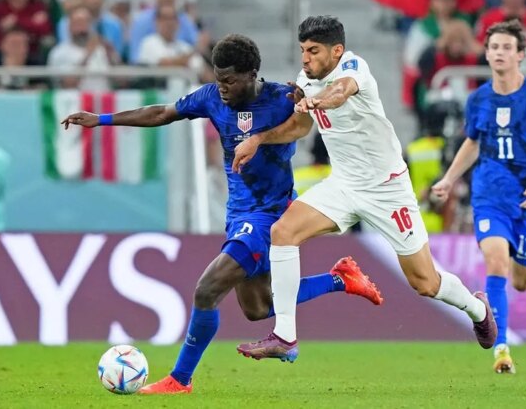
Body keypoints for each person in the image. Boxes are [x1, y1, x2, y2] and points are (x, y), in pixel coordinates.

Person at [61, 34, 383, 394]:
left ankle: (179, 379)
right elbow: (162, 113)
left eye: (229, 80)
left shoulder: (282, 99)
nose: (223, 87)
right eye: (218, 79)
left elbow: (306, 124)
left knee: (207, 289)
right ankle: (340, 279)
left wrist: (300, 107)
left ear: (252, 75)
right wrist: (102, 119)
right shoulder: (211, 97)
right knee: (258, 307)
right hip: (238, 214)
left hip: (270, 214)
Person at [232, 15, 497, 362]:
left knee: (425, 282)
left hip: (387, 190)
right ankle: (285, 337)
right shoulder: (306, 79)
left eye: (313, 51)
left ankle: (477, 309)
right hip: (343, 185)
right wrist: (258, 139)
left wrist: (317, 100)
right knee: (283, 232)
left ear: (336, 51)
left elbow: (340, 92)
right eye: (302, 50)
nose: (305, 58)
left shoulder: (354, 68)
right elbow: (299, 127)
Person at [432, 20, 526, 374]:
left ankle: (504, 326)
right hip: (489, 195)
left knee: (522, 281)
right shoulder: (478, 99)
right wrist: (449, 179)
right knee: (496, 262)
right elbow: (473, 142)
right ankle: (501, 349)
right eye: (494, 47)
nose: (499, 53)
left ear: (520, 54)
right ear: (487, 53)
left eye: (507, 47)